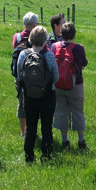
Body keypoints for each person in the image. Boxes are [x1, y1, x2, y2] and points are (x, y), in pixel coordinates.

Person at [17, 26, 59, 163]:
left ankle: (29, 156)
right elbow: (56, 77)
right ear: (45, 40)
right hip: (47, 96)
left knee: (31, 128)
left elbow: (19, 75)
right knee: (46, 127)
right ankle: (46, 156)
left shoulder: (23, 54)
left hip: (29, 96)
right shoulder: (49, 56)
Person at [51, 22, 89, 150]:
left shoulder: (54, 46)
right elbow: (84, 63)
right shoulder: (79, 48)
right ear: (74, 34)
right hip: (75, 84)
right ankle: (81, 141)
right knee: (78, 111)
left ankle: (64, 141)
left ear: (61, 34)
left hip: (58, 84)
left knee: (61, 111)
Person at [12, 12, 38, 137]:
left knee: (21, 102)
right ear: (34, 24)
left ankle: (23, 131)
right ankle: (32, 130)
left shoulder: (16, 37)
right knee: (34, 102)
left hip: (19, 75)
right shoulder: (36, 37)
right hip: (34, 75)